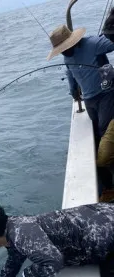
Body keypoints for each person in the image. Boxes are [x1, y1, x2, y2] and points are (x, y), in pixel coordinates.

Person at [47, 24, 114, 197]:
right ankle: (107, 180)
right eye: (60, 50)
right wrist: (73, 92)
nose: (64, 52)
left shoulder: (93, 43)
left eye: (65, 48)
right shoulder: (66, 57)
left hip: (106, 94)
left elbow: (111, 43)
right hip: (89, 100)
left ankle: (109, 183)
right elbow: (71, 74)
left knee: (104, 132)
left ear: (73, 42)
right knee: (98, 135)